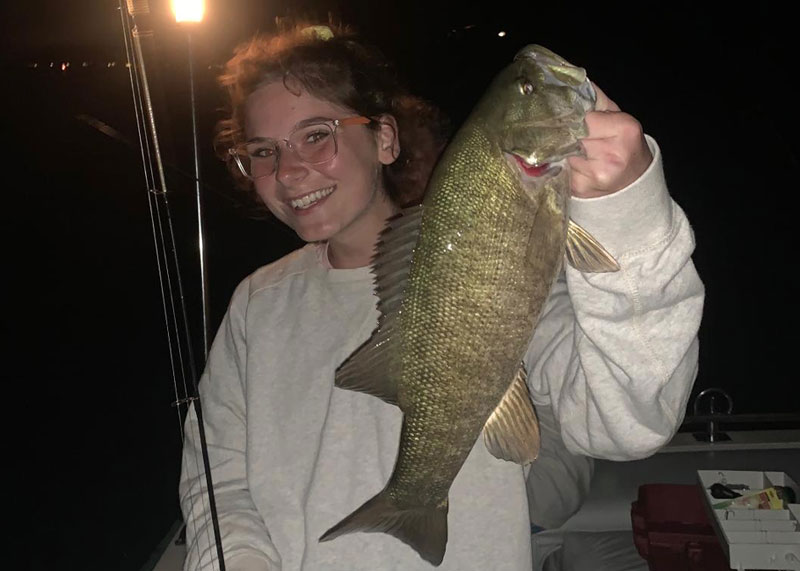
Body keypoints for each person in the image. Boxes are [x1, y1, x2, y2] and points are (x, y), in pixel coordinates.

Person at [180, 22, 704, 571]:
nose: (289, 171)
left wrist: (628, 211)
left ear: (385, 138)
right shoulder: (257, 304)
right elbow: (217, 478)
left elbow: (631, 423)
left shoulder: (508, 268)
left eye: (317, 135)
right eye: (263, 151)